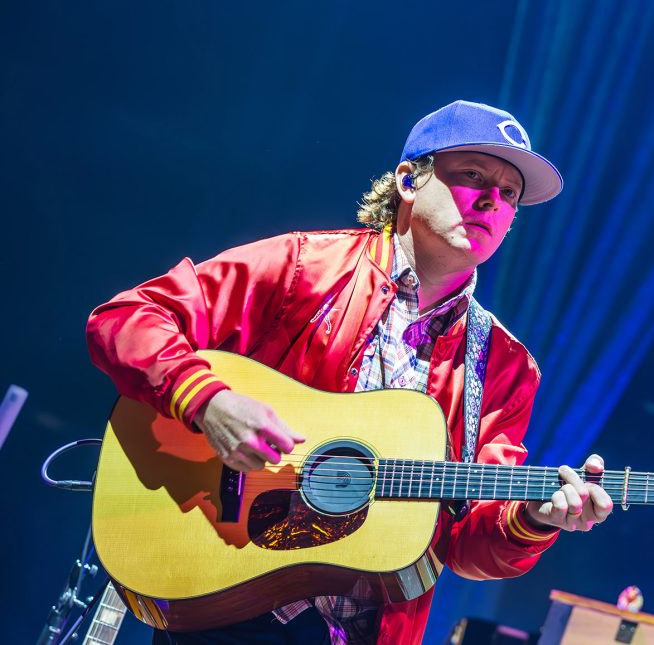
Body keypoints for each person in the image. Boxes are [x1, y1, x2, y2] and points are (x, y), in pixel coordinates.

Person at [86, 100, 613, 645]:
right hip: (227, 589)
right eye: (473, 176)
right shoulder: (303, 267)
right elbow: (125, 318)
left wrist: (534, 520)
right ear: (409, 181)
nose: (491, 201)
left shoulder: (505, 366)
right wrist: (208, 400)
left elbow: (466, 547)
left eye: (509, 194)